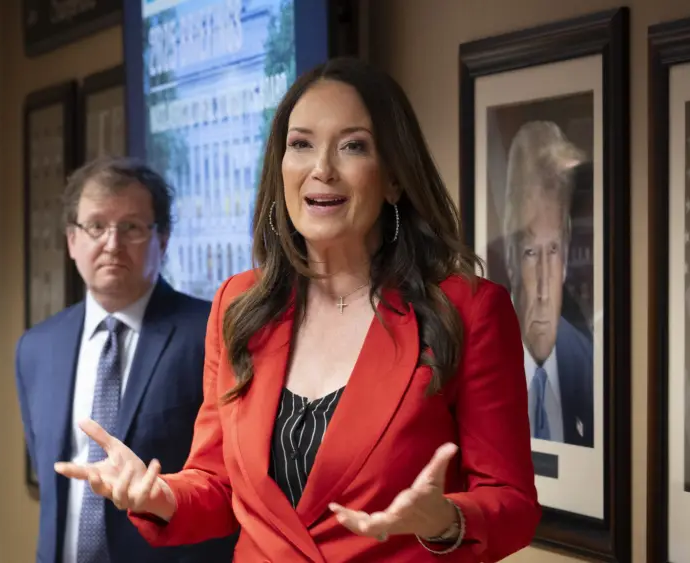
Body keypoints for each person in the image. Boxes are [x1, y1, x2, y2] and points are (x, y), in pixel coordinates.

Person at [55, 57, 540, 562]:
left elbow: (513, 505)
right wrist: (161, 496)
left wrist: (446, 520)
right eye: (301, 145)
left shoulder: (468, 309)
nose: (321, 169)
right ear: (280, 167)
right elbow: (219, 485)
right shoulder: (239, 305)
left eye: (352, 146)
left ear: (394, 178)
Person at [14, 157, 237, 563]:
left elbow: (228, 480)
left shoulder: (211, 334)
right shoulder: (35, 349)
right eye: (96, 226)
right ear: (71, 240)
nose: (112, 244)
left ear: (163, 239)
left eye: (131, 227)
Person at [500, 121, 594, 447]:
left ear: (566, 255)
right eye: (529, 253)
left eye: (552, 251)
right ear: (511, 260)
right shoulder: (478, 362)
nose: (542, 288)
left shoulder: (590, 365)